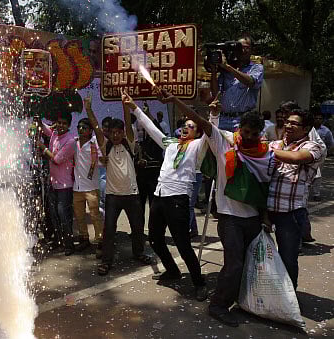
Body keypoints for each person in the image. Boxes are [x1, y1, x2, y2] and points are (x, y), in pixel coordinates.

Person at [157, 89, 272, 327]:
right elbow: (202, 123)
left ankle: (243, 301)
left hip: (253, 218)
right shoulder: (224, 144)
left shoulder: (265, 154)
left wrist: (265, 217)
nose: (248, 137)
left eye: (254, 134)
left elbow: (265, 186)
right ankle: (218, 305)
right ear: (239, 129)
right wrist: (176, 100)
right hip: (229, 217)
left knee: (249, 264)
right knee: (234, 264)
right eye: (245, 132)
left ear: (260, 134)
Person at [123, 90, 209, 301]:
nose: (185, 129)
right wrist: (133, 107)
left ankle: (199, 283)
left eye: (191, 127)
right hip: (160, 195)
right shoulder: (170, 144)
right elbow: (151, 129)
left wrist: (212, 115)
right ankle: (173, 270)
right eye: (183, 125)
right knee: (154, 238)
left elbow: (209, 130)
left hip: (178, 197)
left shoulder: (198, 146)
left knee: (182, 243)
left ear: (197, 133)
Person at [84, 94, 152, 276]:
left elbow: (128, 121)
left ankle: (138, 253)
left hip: (132, 194)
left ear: (123, 132)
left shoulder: (129, 142)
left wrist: (125, 105)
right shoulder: (106, 146)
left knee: (137, 227)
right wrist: (89, 109)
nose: (115, 135)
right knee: (109, 230)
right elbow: (97, 128)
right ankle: (106, 261)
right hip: (113, 196)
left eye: (118, 132)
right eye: (112, 132)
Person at [267, 109, 323, 290]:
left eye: (294, 123)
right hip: (266, 211)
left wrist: (262, 150)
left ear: (306, 128)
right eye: (287, 121)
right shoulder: (275, 144)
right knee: (260, 255)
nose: (288, 125)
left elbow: (297, 158)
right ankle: (265, 295)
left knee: (288, 259)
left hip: (290, 213)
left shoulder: (313, 147)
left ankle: (289, 300)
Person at [37, 112, 76, 256]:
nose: (60, 126)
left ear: (69, 125)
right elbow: (43, 127)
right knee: (54, 215)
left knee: (63, 216)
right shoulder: (54, 133)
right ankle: (59, 242)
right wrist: (37, 117)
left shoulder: (71, 141)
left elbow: (57, 160)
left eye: (64, 124)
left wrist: (42, 147)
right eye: (59, 122)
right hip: (53, 183)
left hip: (65, 186)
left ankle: (69, 245)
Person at [210, 34, 264, 132]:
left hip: (242, 120)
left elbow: (251, 82)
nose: (242, 50)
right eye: (239, 47)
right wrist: (213, 71)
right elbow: (215, 93)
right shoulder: (225, 70)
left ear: (252, 50)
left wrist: (227, 67)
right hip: (222, 119)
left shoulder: (256, 67)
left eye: (246, 48)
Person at [72, 113, 104, 257]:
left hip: (91, 186)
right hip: (77, 187)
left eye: (84, 127)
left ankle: (100, 242)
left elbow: (102, 157)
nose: (80, 129)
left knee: (95, 216)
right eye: (79, 127)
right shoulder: (74, 142)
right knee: (79, 216)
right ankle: (84, 239)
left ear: (90, 130)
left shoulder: (94, 143)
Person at [311, 109, 333, 201]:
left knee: (318, 175)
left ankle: (316, 193)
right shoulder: (309, 129)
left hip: (320, 156)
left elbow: (330, 143)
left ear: (322, 120)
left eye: (320, 118)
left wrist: (326, 153)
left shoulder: (326, 131)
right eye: (316, 118)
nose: (318, 120)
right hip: (307, 154)